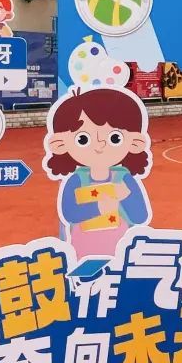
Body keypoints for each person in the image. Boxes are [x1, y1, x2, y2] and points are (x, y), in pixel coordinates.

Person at [44, 87, 152, 257]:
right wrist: (98, 208)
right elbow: (69, 213)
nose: (100, 145)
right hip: (84, 250)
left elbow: (140, 216)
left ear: (135, 142)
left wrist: (126, 197)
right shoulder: (76, 179)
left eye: (115, 138)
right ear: (59, 144)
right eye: (83, 139)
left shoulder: (123, 178)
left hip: (122, 250)